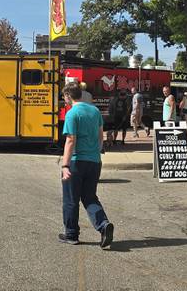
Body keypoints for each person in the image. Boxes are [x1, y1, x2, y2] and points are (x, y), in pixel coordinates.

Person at [59, 82, 114, 248]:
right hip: (94, 161)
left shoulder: (72, 114)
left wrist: (65, 165)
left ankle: (71, 234)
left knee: (71, 199)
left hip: (76, 161)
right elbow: (100, 136)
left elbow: (70, 140)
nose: (65, 100)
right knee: (90, 197)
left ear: (68, 96)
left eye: (64, 97)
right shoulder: (94, 110)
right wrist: (95, 153)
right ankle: (103, 225)